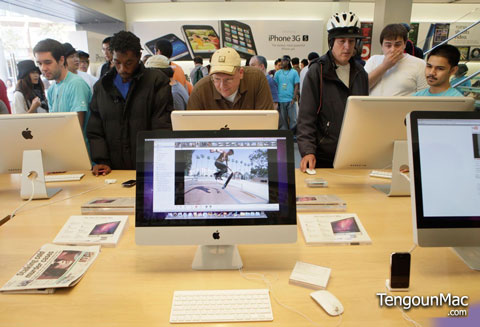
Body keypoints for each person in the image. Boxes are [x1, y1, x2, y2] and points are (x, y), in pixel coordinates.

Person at [87, 31, 173, 175]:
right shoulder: (102, 86)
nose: (122, 69)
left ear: (139, 57)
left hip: (149, 167)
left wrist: (159, 162)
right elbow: (96, 129)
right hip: (112, 170)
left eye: (128, 63)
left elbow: (162, 125)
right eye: (117, 62)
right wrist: (101, 161)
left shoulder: (156, 82)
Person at [297, 12, 369, 170]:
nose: (347, 47)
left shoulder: (361, 73)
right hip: (322, 155)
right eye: (341, 41)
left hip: (353, 155)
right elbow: (306, 117)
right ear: (331, 42)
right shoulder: (317, 71)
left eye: (351, 41)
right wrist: (308, 151)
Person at [187, 48, 274, 110]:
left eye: (228, 79)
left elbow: (267, 122)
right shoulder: (200, 90)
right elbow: (190, 129)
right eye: (217, 79)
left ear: (240, 73)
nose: (222, 86)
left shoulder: (256, 79)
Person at [33, 38, 91, 129]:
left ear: (61, 60)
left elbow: (76, 128)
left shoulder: (76, 84)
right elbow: (54, 123)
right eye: (40, 64)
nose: (43, 68)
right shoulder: (52, 89)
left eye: (48, 62)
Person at [365, 23, 427, 96]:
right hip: (372, 107)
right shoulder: (373, 60)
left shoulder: (419, 64)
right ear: (382, 46)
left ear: (404, 44)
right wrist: (384, 66)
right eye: (388, 45)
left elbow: (424, 96)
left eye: (397, 45)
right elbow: (362, 87)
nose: (393, 49)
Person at [274, 55, 300, 131]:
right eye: (281, 61)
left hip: (290, 99)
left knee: (293, 119)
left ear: (288, 62)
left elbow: (296, 85)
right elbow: (275, 86)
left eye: (283, 61)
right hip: (280, 99)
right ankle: (284, 134)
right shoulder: (277, 73)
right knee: (283, 120)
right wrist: (276, 99)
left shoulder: (294, 72)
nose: (282, 62)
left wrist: (294, 97)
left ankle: (293, 135)